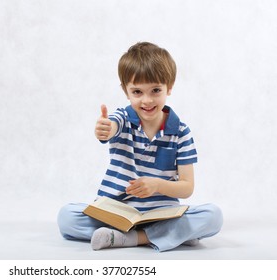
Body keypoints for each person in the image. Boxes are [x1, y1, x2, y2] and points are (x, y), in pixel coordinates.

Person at [57, 42, 223, 252]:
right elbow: (113, 126)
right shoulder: (123, 119)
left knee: (213, 216)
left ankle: (132, 238)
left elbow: (187, 187)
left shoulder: (181, 132)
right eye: (137, 92)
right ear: (126, 91)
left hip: (161, 214)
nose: (147, 100)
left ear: (169, 87)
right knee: (66, 216)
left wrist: (157, 185)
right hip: (117, 213)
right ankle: (173, 235)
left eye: (155, 90)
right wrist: (106, 129)